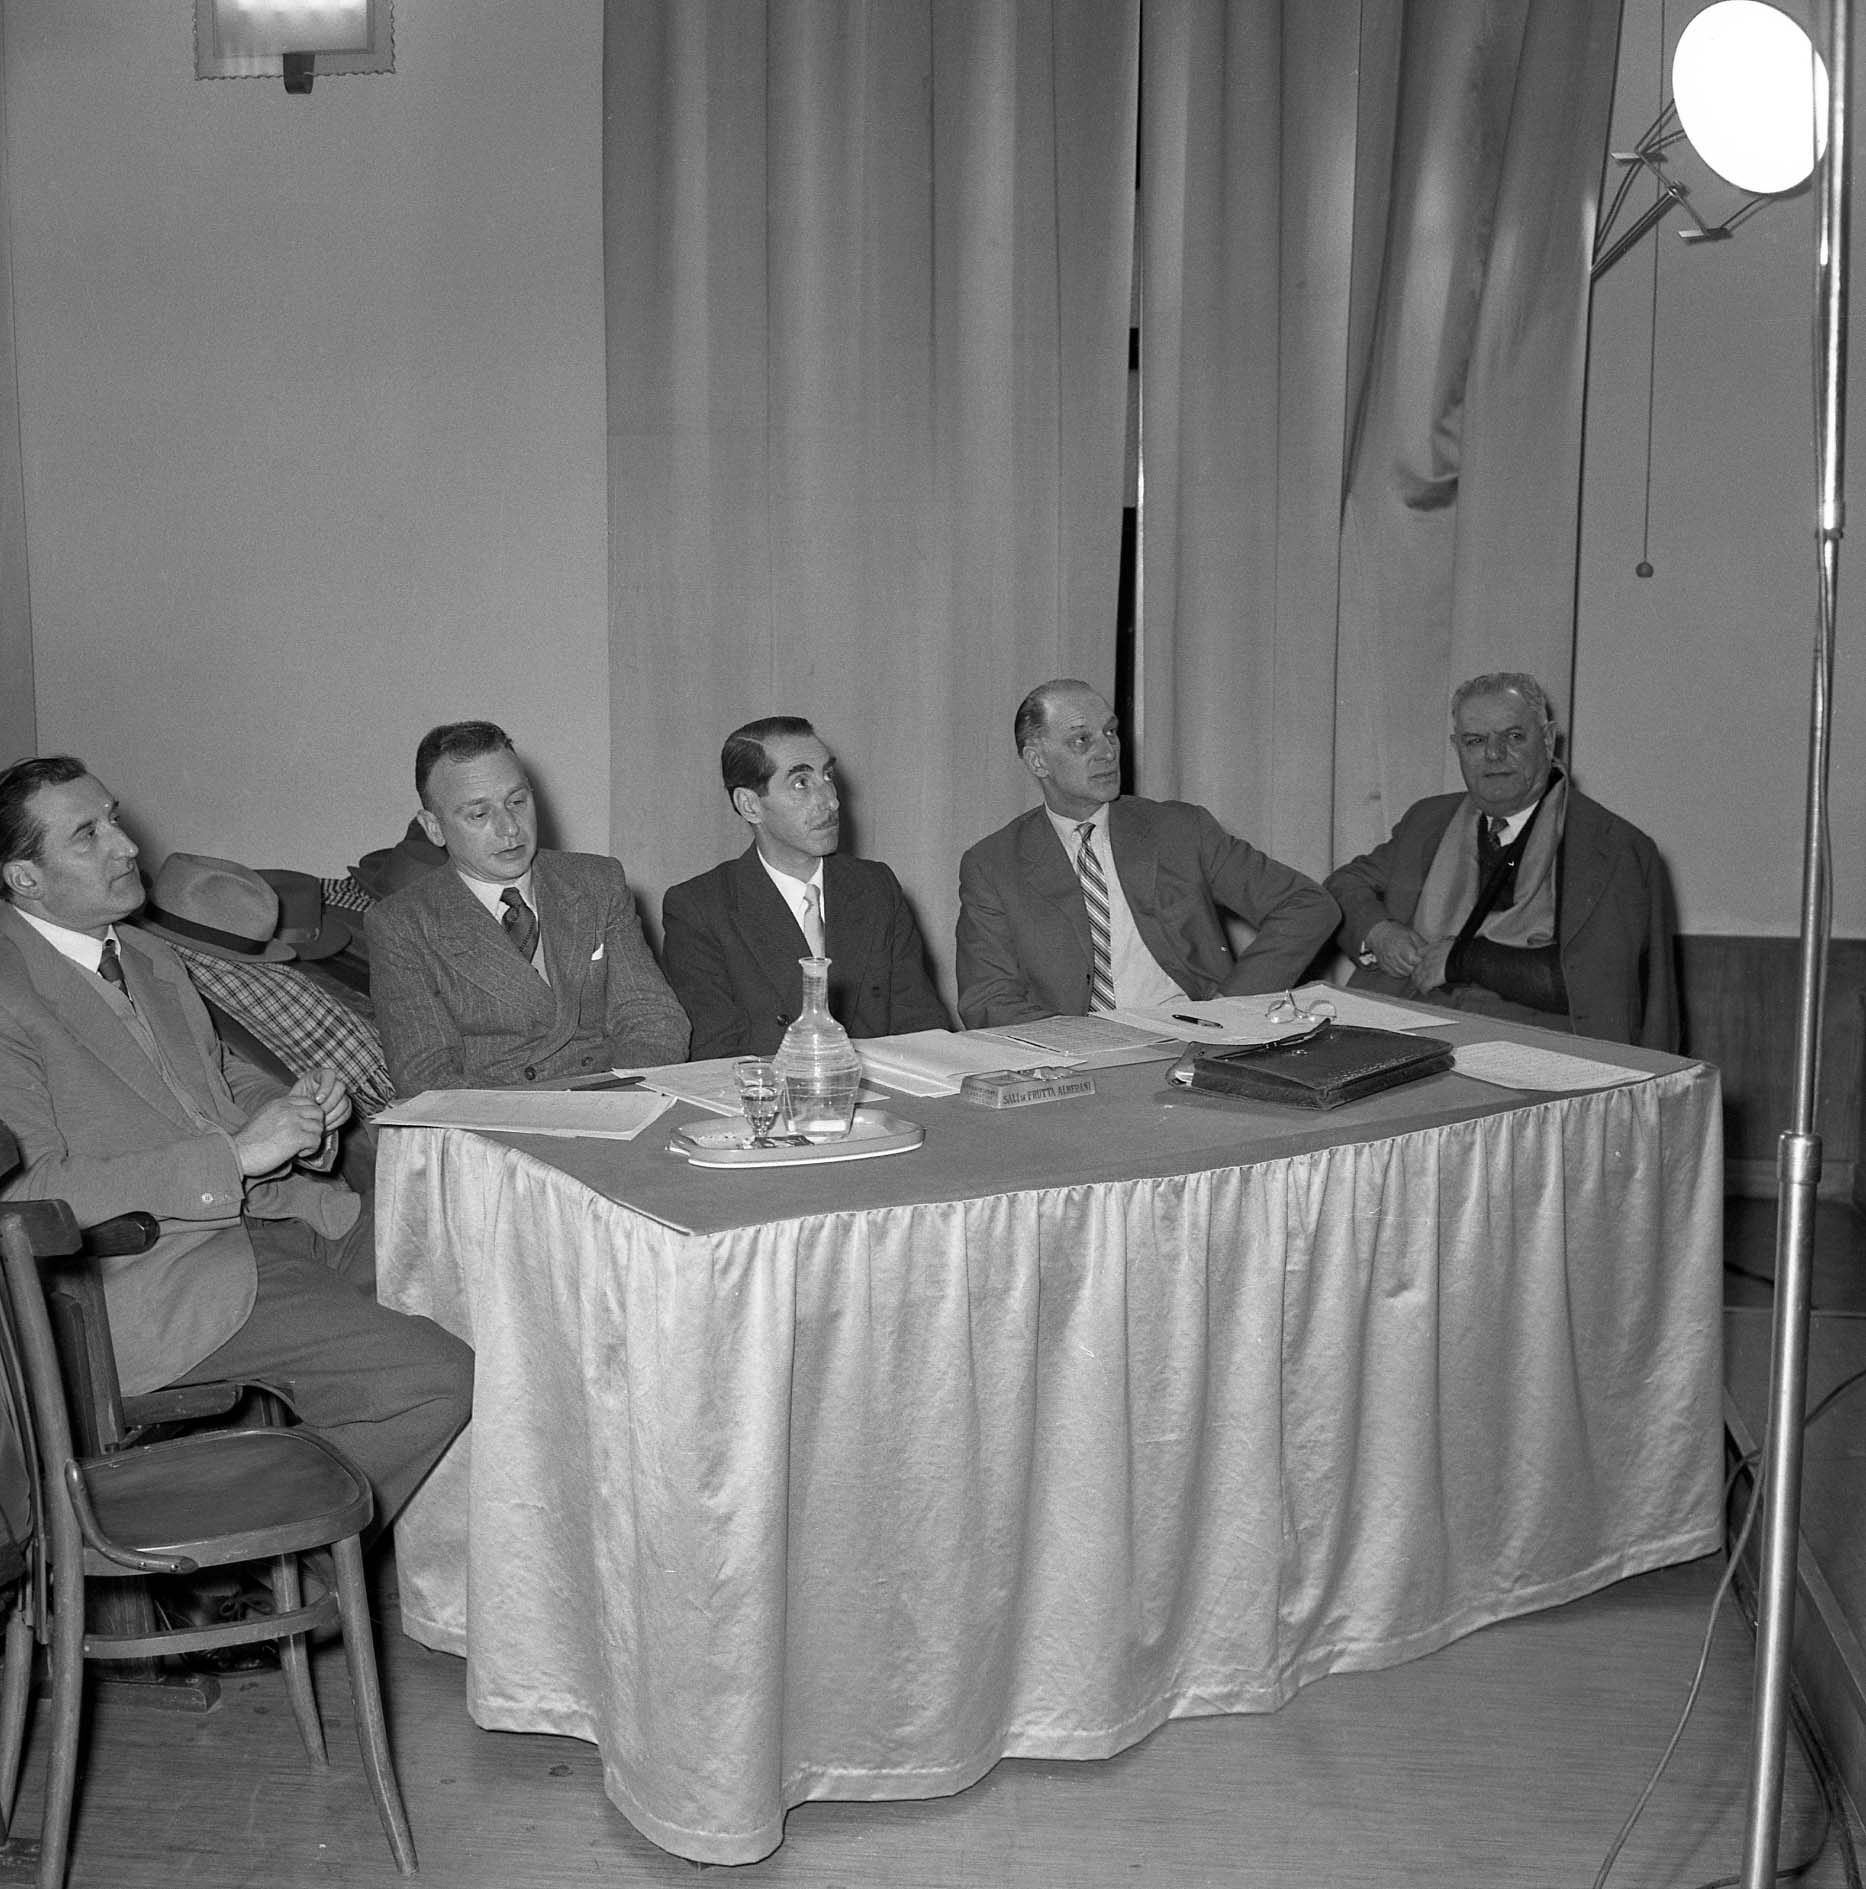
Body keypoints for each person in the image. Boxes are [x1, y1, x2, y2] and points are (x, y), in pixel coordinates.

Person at [0, 756, 472, 1536]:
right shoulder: (10, 992)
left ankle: (326, 1542)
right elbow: (25, 1194)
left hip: (276, 1217)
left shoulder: (143, 952)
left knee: (483, 1273)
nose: (126, 844)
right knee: (434, 1378)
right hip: (144, 1275)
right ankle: (268, 1560)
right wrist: (236, 1156)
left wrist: (291, 1107)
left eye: (113, 818)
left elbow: (215, 1075)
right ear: (25, 878)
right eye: (88, 835)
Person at [1324, 672, 1678, 1049]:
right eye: (1475, 741)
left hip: (1536, 1048)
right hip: (1407, 1031)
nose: (1493, 754)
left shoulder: (1611, 846)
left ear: (1547, 739)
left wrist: (1466, 960)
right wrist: (1380, 933)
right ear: (1457, 747)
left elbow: (1594, 985)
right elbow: (1343, 887)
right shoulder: (1428, 821)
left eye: (1513, 736)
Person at [956, 680, 1339, 1027]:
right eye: (1081, 740)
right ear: (1037, 761)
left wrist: (1230, 1008)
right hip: (1074, 1058)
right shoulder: (992, 865)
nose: (1108, 752)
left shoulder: (1181, 830)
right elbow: (987, 999)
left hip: (1192, 1042)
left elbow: (1308, 906)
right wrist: (1085, 1043)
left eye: (1110, 732)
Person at [366, 721, 689, 1089]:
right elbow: (426, 1077)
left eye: (517, 802)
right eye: (479, 814)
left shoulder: (597, 882)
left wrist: (617, 1098)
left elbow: (653, 1018)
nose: (510, 828)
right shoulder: (403, 925)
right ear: (434, 827)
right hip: (495, 1115)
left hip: (617, 1095)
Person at [661, 717, 949, 1057]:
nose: (831, 801)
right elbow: (718, 1058)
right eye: (801, 783)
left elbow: (922, 1026)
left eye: (828, 776)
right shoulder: (700, 908)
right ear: (750, 805)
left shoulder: (875, 887)